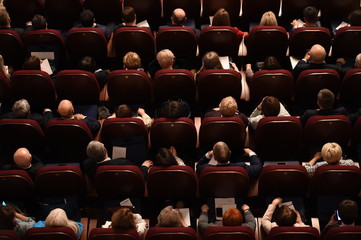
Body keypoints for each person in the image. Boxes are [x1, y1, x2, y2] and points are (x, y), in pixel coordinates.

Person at [82, 140, 153, 180]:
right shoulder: (123, 163)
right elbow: (139, 175)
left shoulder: (86, 165)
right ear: (105, 150)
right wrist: (144, 167)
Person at [196, 142, 262, 179]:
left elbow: (198, 165)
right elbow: (258, 166)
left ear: (215, 158)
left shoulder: (206, 169)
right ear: (230, 153)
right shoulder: (241, 167)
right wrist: (251, 152)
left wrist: (208, 155)